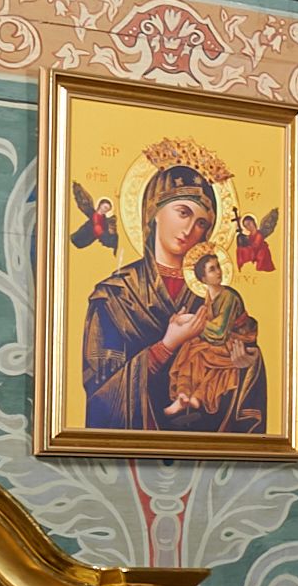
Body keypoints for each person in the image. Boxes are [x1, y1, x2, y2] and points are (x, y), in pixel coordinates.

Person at [80, 142, 268, 439]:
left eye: (201, 223)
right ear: (154, 211)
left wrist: (245, 364)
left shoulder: (215, 293)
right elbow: (101, 394)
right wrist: (167, 345)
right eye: (183, 212)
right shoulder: (115, 295)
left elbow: (244, 348)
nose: (190, 229)